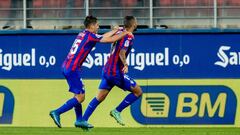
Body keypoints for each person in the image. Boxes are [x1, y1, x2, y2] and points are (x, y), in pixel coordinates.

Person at [49, 15, 129, 129]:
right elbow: (109, 40)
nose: (98, 26)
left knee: (78, 94)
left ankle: (79, 120)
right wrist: (125, 33)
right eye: (97, 25)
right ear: (91, 25)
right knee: (81, 97)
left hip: (67, 67)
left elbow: (102, 36)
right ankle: (57, 112)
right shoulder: (90, 36)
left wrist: (115, 30)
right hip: (72, 69)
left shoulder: (83, 34)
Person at [81, 16, 142, 129]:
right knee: (138, 91)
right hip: (115, 72)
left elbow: (104, 38)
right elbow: (121, 53)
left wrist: (114, 29)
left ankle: (83, 120)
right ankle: (117, 111)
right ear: (133, 24)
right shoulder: (128, 36)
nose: (137, 23)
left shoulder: (119, 31)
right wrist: (125, 64)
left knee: (99, 97)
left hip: (107, 70)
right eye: (136, 22)